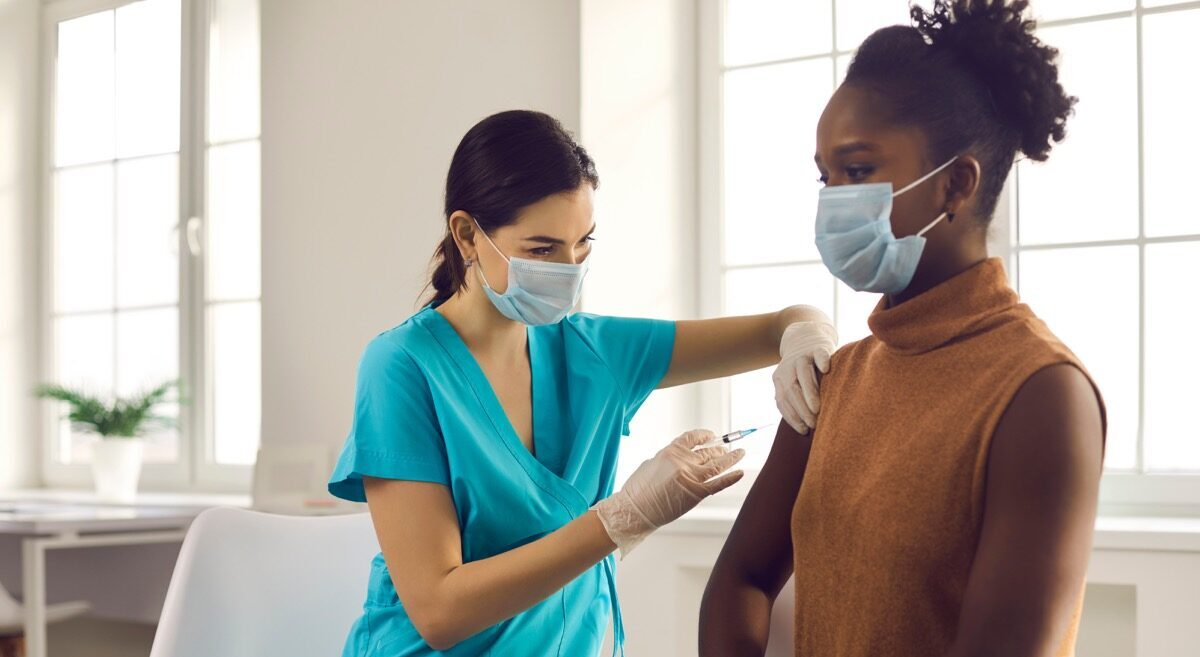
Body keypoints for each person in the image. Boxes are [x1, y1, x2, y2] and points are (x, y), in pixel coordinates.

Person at [328, 109, 840, 656]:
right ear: (467, 235)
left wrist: (808, 338)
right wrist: (622, 517)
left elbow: (784, 321)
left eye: (583, 243)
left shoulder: (596, 351)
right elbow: (439, 611)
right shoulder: (403, 367)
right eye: (542, 250)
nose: (570, 269)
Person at [699, 2, 1107, 656]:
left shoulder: (1041, 396)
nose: (832, 198)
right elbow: (741, 579)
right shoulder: (834, 380)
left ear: (956, 185)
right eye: (824, 174)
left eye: (857, 171)